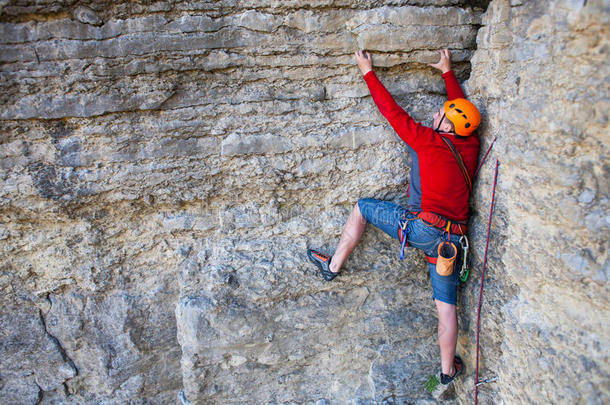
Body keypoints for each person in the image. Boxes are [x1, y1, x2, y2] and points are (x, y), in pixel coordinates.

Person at [307, 49, 481, 392]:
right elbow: (464, 115)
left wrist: (368, 72)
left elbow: (393, 113)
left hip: (423, 230)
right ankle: (447, 371)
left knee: (362, 207)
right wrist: (448, 74)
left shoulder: (429, 141)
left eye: (441, 113)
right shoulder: (471, 145)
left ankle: (334, 265)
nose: (436, 113)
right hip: (453, 243)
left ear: (447, 125)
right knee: (445, 307)